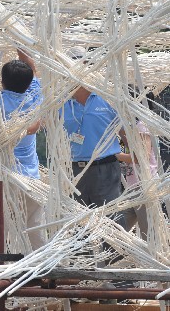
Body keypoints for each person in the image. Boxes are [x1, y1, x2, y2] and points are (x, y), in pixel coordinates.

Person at [0, 45, 45, 251]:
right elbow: (32, 68)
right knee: (33, 228)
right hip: (30, 179)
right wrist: (18, 41)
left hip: (0, 177)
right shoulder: (34, 97)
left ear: (2, 82)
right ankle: (40, 269)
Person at [62, 46, 126, 229]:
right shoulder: (61, 104)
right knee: (78, 225)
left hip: (105, 169)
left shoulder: (107, 99)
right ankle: (83, 258)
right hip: (74, 172)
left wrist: (136, 160)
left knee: (111, 222)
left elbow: (126, 133)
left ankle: (115, 258)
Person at [117, 90, 158, 240]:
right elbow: (135, 146)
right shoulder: (137, 125)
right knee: (120, 227)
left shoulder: (142, 125)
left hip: (144, 186)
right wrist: (122, 133)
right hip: (133, 187)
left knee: (148, 232)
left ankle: (154, 261)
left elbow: (141, 157)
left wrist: (115, 155)